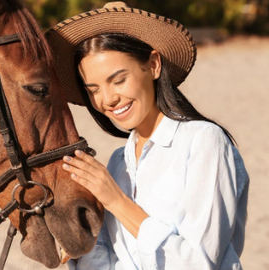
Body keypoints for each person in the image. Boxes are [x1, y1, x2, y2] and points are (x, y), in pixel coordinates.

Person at [45, 2, 250, 269]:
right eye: (93, 89)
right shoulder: (119, 161)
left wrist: (117, 201)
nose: (108, 99)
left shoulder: (203, 142)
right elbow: (110, 262)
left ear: (153, 65)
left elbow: (198, 262)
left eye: (118, 80)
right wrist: (80, 242)